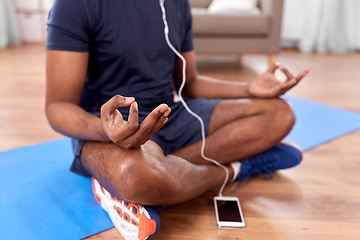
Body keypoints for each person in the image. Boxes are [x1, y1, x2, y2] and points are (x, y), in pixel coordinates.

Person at [45, 0, 309, 239]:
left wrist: (248, 89)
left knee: (279, 114)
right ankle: (237, 167)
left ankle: (156, 178)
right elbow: (57, 106)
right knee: (137, 176)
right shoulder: (74, 5)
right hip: (106, 130)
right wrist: (105, 130)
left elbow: (189, 83)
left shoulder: (175, 3)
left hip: (171, 115)